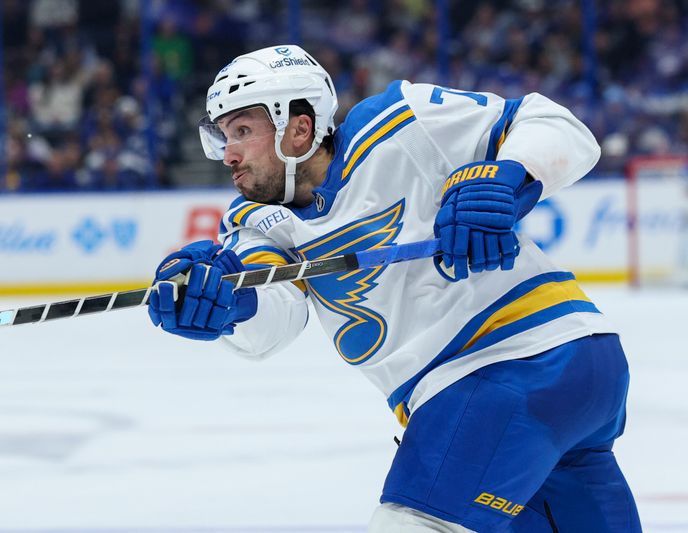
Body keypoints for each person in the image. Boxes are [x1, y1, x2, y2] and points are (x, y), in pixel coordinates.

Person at [147, 44, 641, 532]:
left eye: (242, 131)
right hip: (572, 375)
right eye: (222, 137)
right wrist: (227, 303)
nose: (227, 153)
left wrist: (506, 178)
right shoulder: (256, 223)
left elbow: (559, 126)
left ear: (298, 128)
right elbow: (271, 322)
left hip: (509, 363)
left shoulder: (399, 122)